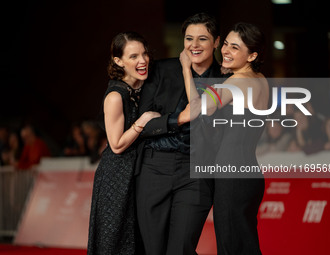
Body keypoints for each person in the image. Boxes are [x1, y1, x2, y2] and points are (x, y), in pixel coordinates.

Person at [136, 13, 226, 255]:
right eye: (189, 38)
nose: (194, 45)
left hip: (196, 172)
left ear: (216, 42)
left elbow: (209, 127)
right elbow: (142, 125)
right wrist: (177, 119)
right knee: (152, 249)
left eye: (202, 39)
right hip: (154, 166)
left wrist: (187, 71)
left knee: (181, 249)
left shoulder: (227, 80)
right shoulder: (162, 70)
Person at [181, 22, 268, 254]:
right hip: (249, 171)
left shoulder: (238, 81)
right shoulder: (260, 79)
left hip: (232, 173)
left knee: (231, 245)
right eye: (226, 44)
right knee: (245, 243)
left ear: (252, 55)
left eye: (235, 48)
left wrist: (185, 70)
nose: (226, 51)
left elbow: (201, 108)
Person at [87, 32, 160, 255]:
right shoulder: (116, 96)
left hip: (138, 173)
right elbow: (116, 144)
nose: (142, 60)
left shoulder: (142, 89)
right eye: (134, 56)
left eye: (145, 54)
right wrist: (143, 120)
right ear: (118, 61)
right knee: (115, 241)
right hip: (116, 177)